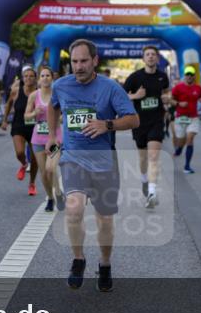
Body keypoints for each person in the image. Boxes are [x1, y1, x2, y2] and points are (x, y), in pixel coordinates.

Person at [46, 39, 138, 292]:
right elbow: (53, 106)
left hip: (103, 161)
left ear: (95, 60)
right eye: (74, 62)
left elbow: (133, 119)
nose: (78, 67)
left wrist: (106, 125)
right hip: (73, 158)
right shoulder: (60, 85)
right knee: (73, 209)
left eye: (84, 61)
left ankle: (105, 263)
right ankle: (78, 259)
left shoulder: (110, 88)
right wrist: (53, 136)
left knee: (105, 220)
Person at [123, 45, 170, 209]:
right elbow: (121, 96)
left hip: (157, 120)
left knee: (153, 156)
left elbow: (166, 92)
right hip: (139, 122)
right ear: (143, 59)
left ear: (157, 58)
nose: (150, 57)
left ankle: (152, 192)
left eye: (153, 55)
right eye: (147, 55)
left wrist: (166, 98)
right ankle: (144, 179)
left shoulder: (163, 76)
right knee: (143, 158)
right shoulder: (135, 77)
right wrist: (136, 96)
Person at [25, 65, 64, 212]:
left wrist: (58, 119)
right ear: (39, 79)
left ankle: (59, 193)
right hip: (38, 139)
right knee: (44, 173)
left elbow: (65, 113)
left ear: (52, 78)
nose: (45, 78)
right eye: (42, 76)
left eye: (48, 75)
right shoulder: (34, 96)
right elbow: (26, 115)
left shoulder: (58, 94)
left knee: (50, 168)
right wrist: (35, 112)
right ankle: (50, 198)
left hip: (55, 137)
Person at [1, 66, 40, 196]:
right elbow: (8, 105)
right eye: (26, 76)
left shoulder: (40, 92)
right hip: (18, 125)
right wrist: (5, 120)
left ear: (35, 78)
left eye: (31, 76)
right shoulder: (16, 91)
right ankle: (24, 164)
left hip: (35, 128)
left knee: (35, 160)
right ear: (23, 78)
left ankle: (32, 183)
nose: (28, 78)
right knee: (19, 153)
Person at [170, 66, 201, 174]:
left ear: (194, 76)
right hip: (181, 118)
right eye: (187, 74)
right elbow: (171, 100)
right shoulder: (178, 88)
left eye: (191, 74)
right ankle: (179, 149)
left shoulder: (199, 88)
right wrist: (179, 103)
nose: (189, 76)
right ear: (184, 76)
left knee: (190, 138)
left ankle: (187, 166)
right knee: (181, 140)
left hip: (193, 118)